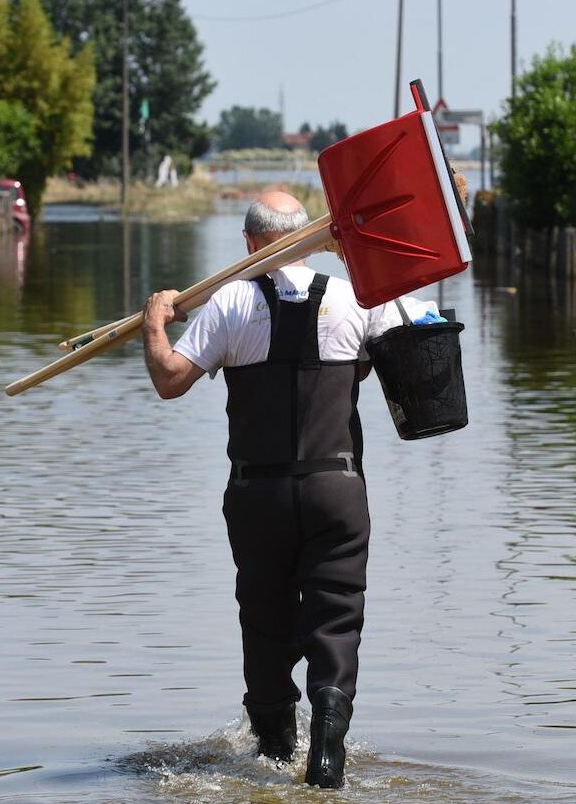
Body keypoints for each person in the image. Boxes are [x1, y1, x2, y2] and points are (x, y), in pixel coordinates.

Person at [141, 191, 413, 788]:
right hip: (336, 489)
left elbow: (169, 380)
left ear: (248, 245)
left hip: (257, 495)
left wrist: (154, 323)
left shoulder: (230, 301)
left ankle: (272, 752)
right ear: (310, 237)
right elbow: (404, 349)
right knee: (337, 618)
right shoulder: (354, 294)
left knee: (264, 620)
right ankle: (327, 757)